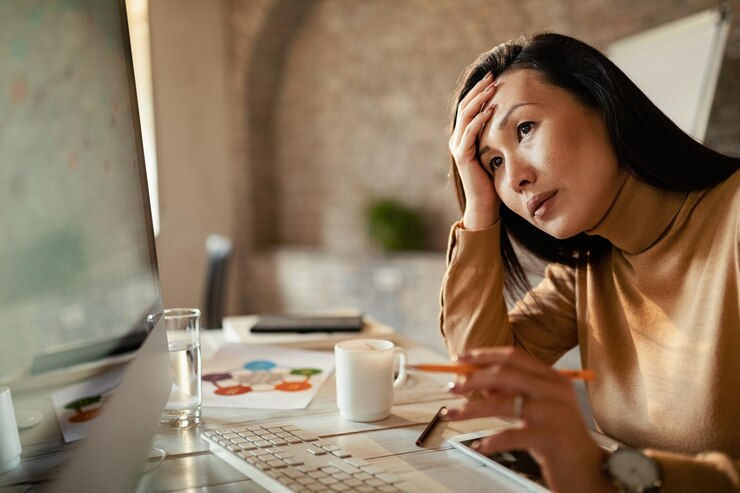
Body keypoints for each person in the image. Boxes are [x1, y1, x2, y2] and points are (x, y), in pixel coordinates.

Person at [439, 32, 739, 493]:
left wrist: (607, 474)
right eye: (493, 163)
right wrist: (478, 210)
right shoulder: (586, 270)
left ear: (601, 101)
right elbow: (482, 384)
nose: (515, 176)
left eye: (524, 129)